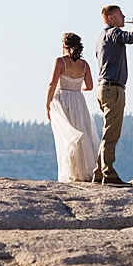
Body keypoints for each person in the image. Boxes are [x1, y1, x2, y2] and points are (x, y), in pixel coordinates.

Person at [92, 4, 133, 185]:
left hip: (104, 88)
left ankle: (99, 173)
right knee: (112, 133)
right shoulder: (114, 33)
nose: (124, 18)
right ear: (111, 18)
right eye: (121, 15)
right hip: (113, 89)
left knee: (108, 130)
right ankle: (109, 173)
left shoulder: (101, 38)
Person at [43, 32, 101, 182]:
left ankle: (71, 172)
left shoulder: (60, 61)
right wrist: (75, 87)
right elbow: (89, 86)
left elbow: (52, 83)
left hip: (63, 100)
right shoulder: (85, 64)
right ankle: (84, 171)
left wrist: (47, 104)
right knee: (83, 133)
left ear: (64, 45)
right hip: (79, 100)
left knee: (66, 136)